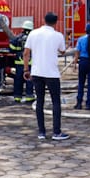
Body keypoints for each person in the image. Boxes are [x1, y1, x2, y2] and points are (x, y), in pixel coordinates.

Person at [23, 12, 69, 141]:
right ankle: (56, 132)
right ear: (56, 22)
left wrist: (26, 69)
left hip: (36, 72)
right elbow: (62, 51)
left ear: (44, 20)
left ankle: (41, 132)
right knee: (55, 102)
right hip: (52, 74)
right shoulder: (58, 36)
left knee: (39, 101)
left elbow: (26, 53)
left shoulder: (33, 33)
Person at [9, 20, 35, 103]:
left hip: (18, 63)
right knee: (29, 80)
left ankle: (17, 97)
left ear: (23, 28)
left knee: (18, 80)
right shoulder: (33, 39)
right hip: (30, 63)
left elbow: (11, 48)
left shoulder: (18, 37)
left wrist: (17, 51)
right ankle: (29, 97)